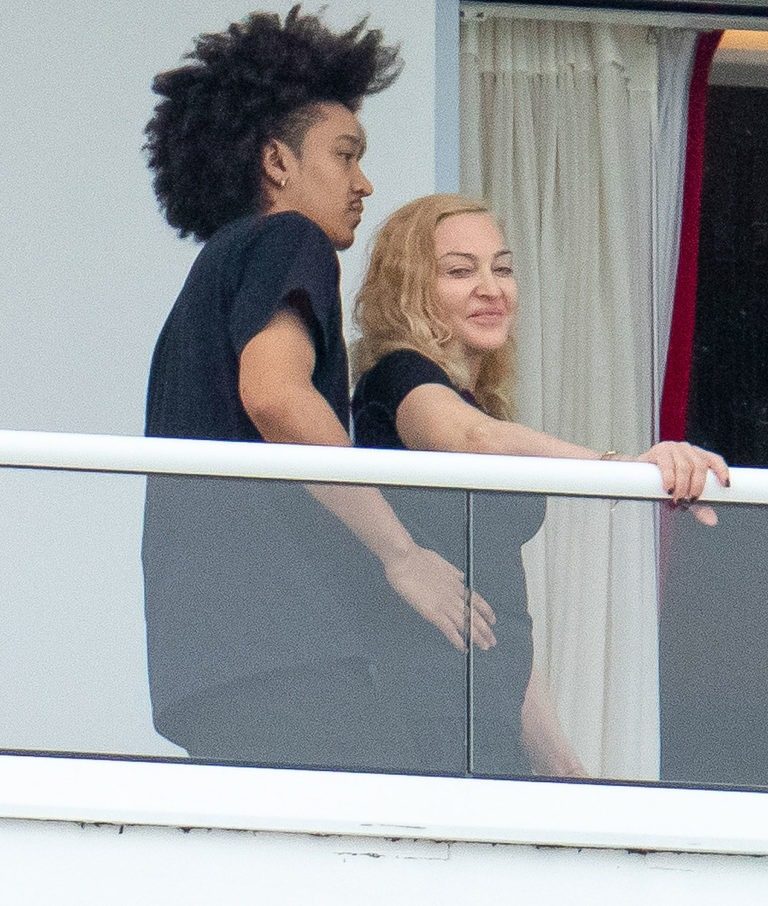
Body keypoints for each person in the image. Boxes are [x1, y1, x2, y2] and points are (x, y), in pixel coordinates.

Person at [141, 10, 493, 771]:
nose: (364, 183)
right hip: (288, 646)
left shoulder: (213, 275)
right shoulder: (287, 238)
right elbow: (276, 396)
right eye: (345, 154)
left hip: (209, 662)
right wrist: (401, 553)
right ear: (277, 162)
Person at [351, 193, 730, 776]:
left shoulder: (470, 398)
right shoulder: (399, 374)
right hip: (422, 726)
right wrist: (626, 469)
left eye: (501, 268)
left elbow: (503, 621)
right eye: (459, 271)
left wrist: (566, 770)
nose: (490, 288)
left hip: (483, 728)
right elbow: (472, 439)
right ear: (408, 291)